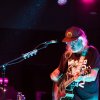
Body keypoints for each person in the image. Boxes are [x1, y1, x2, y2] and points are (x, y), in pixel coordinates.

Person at [50, 26, 100, 100]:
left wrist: (81, 77)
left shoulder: (92, 52)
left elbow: (92, 76)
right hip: (71, 95)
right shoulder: (67, 55)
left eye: (74, 41)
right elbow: (59, 72)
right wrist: (54, 74)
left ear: (81, 39)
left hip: (88, 97)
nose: (71, 45)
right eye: (69, 42)